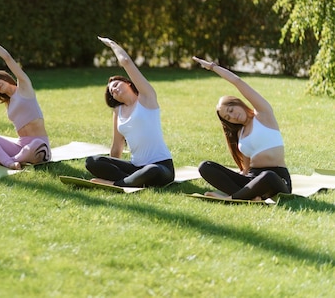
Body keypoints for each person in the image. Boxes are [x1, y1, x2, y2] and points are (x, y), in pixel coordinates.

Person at [192, 57, 291, 200]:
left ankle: (232, 198)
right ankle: (248, 196)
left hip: (276, 179)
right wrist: (238, 176)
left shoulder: (263, 114)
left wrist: (213, 67)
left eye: (231, 110)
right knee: (205, 166)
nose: (232, 117)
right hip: (251, 179)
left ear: (238, 103)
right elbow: (246, 170)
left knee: (268, 176)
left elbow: (237, 81)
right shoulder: (241, 134)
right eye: (228, 117)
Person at [85, 37, 174, 187]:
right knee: (92, 161)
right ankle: (130, 181)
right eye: (111, 91)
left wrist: (112, 44)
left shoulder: (146, 97)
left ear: (127, 82)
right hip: (134, 167)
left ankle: (115, 184)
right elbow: (117, 146)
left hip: (161, 166)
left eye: (116, 84)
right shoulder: (118, 111)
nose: (113, 89)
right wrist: (112, 165)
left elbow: (126, 61)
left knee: (151, 170)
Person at [0, 24, 51, 170]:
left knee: (34, 145)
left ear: (4, 77)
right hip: (20, 146)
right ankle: (10, 161)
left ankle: (6, 160)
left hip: (39, 146)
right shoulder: (8, 103)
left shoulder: (24, 87)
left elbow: (7, 58)